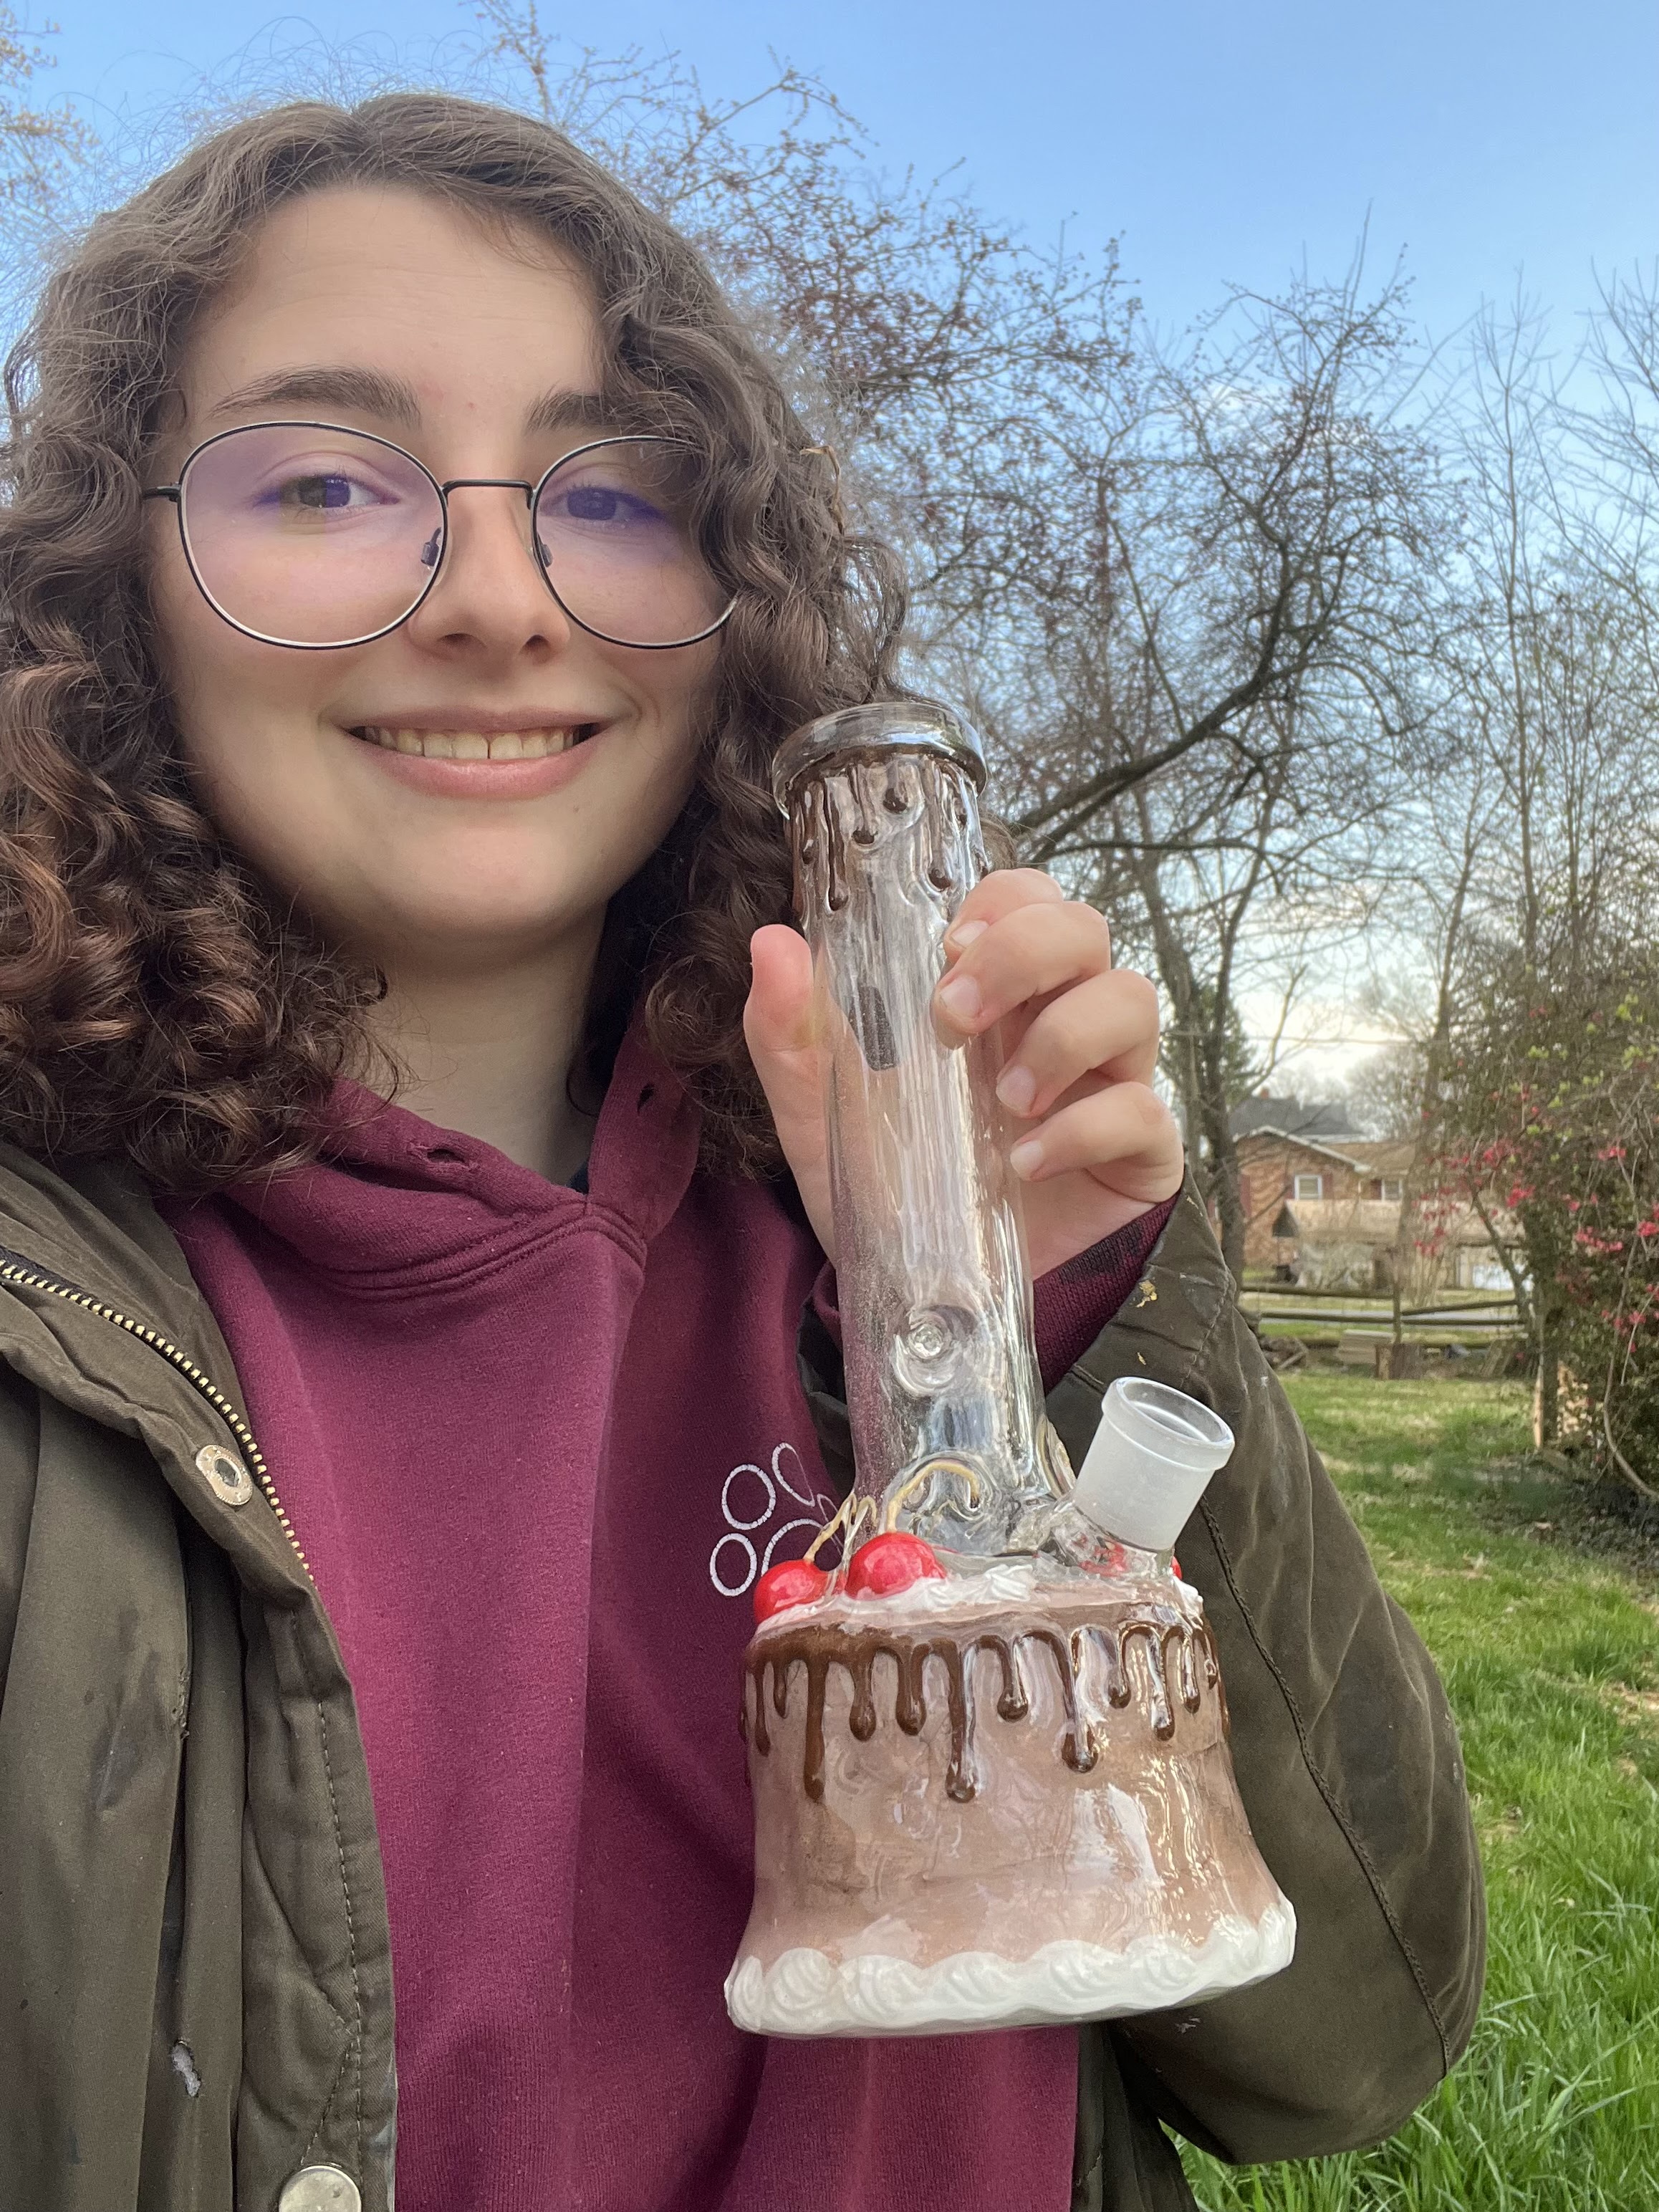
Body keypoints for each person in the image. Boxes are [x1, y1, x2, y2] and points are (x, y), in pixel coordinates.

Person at [0, 94, 1482, 2212]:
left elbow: (1346, 2051)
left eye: (613, 490)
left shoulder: (913, 1218)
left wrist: (1079, 1330)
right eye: (324, 479)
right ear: (106, 580)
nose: (501, 597)